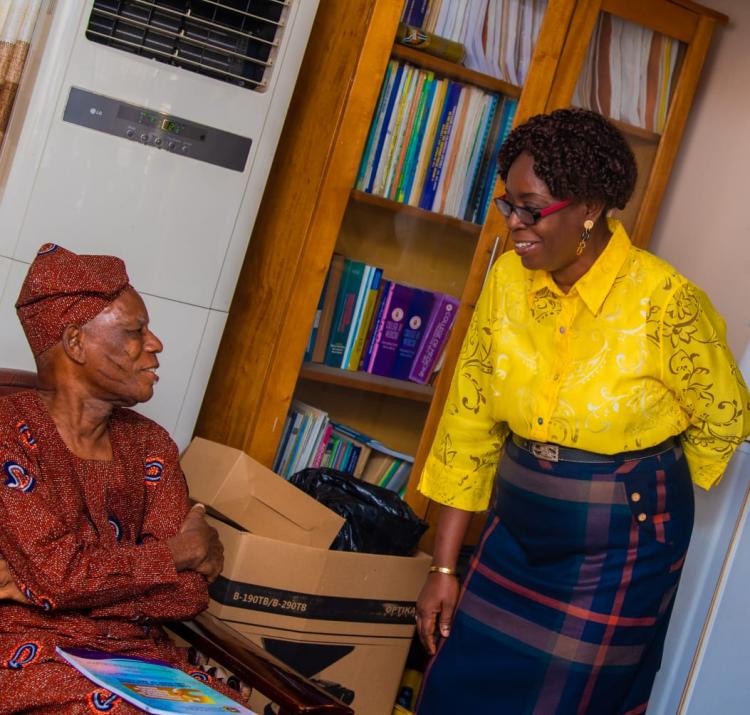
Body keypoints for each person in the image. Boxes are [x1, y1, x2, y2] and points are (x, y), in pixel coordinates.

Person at [414, 108, 750, 714]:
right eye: (508, 204)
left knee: (563, 704)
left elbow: (725, 414)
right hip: (515, 529)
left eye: (531, 208)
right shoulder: (508, 280)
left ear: (589, 208)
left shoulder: (664, 299)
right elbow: (469, 419)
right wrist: (442, 569)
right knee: (452, 692)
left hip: (619, 551)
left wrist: (641, 489)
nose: (514, 224)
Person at [0, 244, 242, 712]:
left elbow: (190, 594)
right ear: (75, 343)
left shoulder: (151, 445)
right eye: (135, 331)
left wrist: (36, 592)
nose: (155, 344)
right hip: (34, 656)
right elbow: (59, 575)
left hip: (140, 658)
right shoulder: (8, 435)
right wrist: (180, 552)